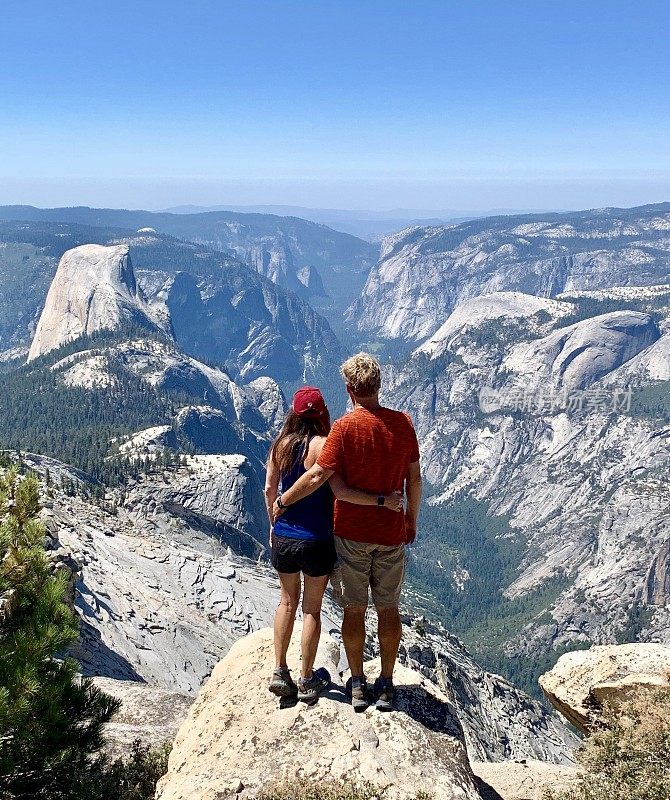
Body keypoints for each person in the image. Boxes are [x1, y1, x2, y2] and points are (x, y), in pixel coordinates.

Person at [273, 353, 422, 712]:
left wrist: (284, 501)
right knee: (388, 610)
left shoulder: (343, 428)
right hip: (390, 535)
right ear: (379, 385)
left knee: (354, 610)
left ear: (350, 389)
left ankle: (357, 684)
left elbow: (317, 477)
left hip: (352, 536)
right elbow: (414, 478)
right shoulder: (403, 424)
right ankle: (385, 684)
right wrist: (410, 520)